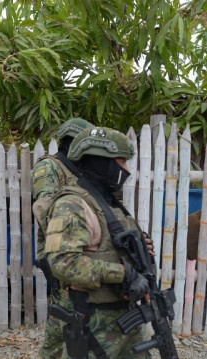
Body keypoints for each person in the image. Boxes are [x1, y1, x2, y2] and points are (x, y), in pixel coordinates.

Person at [34, 127, 151, 358]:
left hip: (124, 316)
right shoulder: (72, 204)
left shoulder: (110, 205)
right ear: (101, 162)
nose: (126, 170)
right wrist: (123, 274)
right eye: (121, 161)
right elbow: (64, 263)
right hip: (94, 322)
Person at [32, 118, 94, 358]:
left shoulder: (76, 169)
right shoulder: (50, 167)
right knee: (65, 319)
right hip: (58, 253)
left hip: (76, 253)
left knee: (71, 318)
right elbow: (44, 211)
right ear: (73, 144)